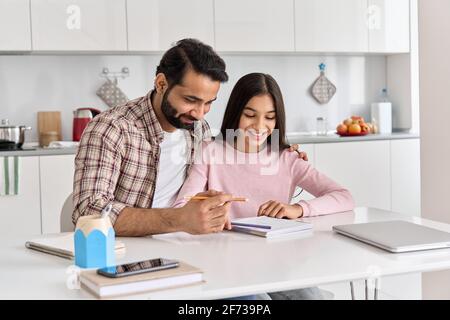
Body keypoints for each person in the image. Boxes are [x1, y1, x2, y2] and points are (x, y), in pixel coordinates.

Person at [72, 39, 307, 236]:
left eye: (208, 103)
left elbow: (231, 162)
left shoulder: (198, 129)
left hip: (190, 245)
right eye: (191, 100)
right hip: (129, 254)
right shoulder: (111, 129)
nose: (199, 113)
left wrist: (280, 154)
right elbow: (89, 213)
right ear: (161, 83)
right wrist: (179, 219)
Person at [173, 73, 355, 299]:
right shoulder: (210, 152)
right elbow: (182, 206)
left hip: (275, 264)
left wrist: (297, 209)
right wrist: (209, 210)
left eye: (270, 117)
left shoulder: (287, 158)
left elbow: (343, 196)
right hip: (226, 266)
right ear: (236, 113)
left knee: (312, 297)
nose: (260, 126)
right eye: (250, 115)